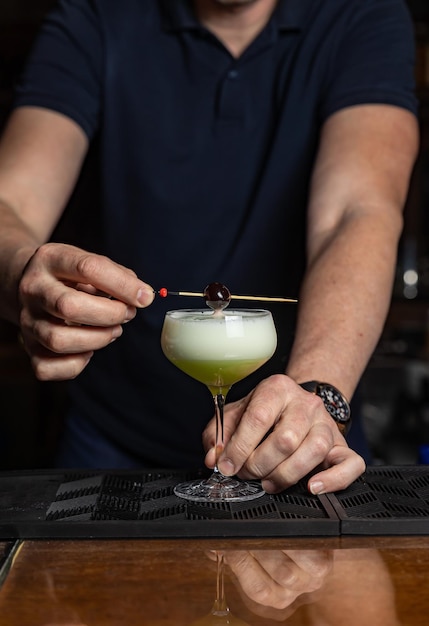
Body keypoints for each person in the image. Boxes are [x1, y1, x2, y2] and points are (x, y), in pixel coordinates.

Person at [0, 0, 418, 495]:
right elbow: (12, 202)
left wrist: (312, 399)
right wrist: (20, 271)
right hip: (113, 439)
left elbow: (356, 211)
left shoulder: (362, 14)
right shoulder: (93, 16)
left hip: (305, 428)